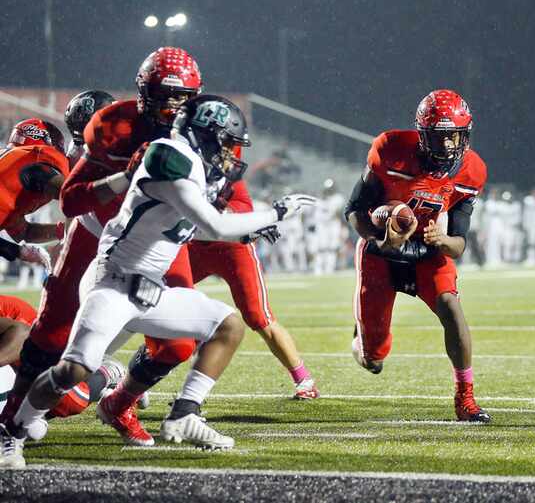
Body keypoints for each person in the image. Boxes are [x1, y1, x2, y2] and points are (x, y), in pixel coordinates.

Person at [0, 95, 315, 468]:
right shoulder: (167, 158)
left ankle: (184, 413)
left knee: (226, 325)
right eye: (225, 142)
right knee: (71, 372)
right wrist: (275, 213)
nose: (230, 152)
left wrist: (247, 226)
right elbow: (215, 225)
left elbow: (201, 222)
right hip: (114, 284)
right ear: (204, 136)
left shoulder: (196, 164)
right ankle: (14, 430)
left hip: (150, 286)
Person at [0, 48, 202, 447]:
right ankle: (13, 423)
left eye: (180, 97)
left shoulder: (202, 129)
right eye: (162, 94)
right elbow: (73, 200)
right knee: (51, 336)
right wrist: (125, 182)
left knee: (180, 340)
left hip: (156, 241)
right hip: (94, 232)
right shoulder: (109, 129)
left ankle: (124, 401)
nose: (171, 106)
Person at [344, 89, 490, 422]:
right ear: (423, 135)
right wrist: (379, 237)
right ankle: (364, 337)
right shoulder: (390, 150)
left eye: (455, 137)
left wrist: (442, 239)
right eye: (440, 138)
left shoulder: (471, 172)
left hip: (427, 251)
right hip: (381, 255)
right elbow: (353, 209)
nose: (449, 146)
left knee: (452, 307)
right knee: (373, 359)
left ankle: (465, 399)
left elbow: (460, 244)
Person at [188, 148, 319, 400]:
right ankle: (136, 383)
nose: (227, 157)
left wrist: (253, 224)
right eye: (221, 147)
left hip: (233, 249)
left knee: (259, 317)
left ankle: (304, 380)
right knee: (164, 309)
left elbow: (238, 214)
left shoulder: (230, 180)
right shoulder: (180, 167)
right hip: (193, 246)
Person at [0, 295, 125, 420]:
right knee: (25, 419)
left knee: (74, 401)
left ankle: (107, 371)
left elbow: (22, 332)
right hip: (15, 344)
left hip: (27, 338)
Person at [0, 118, 69, 272]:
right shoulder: (36, 156)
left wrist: (63, 231)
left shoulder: (11, 165)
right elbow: (71, 195)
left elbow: (24, 232)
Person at [311, 178, 346, 275]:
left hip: (333, 224)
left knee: (332, 247)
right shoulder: (319, 199)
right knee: (320, 247)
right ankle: (318, 269)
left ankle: (329, 269)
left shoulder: (338, 198)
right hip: (322, 225)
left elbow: (335, 212)